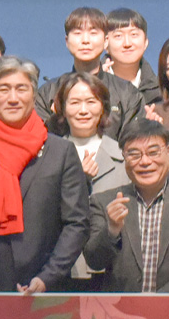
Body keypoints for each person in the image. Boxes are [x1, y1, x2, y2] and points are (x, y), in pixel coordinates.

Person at [0, 56, 89, 304]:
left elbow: (77, 224)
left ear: (34, 96)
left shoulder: (61, 152)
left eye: (21, 89)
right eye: (3, 89)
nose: (13, 98)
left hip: (47, 293)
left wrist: (48, 277)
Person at [82, 118, 169, 293]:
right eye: (134, 154)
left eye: (153, 152)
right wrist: (111, 231)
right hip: (122, 308)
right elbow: (94, 261)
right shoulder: (104, 202)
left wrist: (159, 301)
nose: (145, 161)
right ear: (124, 158)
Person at [51, 72, 127, 286]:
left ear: (103, 107)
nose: (83, 110)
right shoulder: (48, 155)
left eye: (91, 102)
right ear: (62, 108)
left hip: (112, 272)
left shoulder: (124, 157)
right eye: (74, 102)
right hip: (61, 271)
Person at [39, 8, 147, 143]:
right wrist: (56, 120)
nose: (85, 40)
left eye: (93, 33)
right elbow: (40, 142)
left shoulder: (128, 93)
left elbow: (133, 143)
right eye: (77, 33)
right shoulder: (48, 92)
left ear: (106, 41)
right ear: (67, 41)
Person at [106, 8, 161, 107]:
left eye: (134, 34)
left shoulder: (161, 92)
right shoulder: (88, 86)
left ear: (146, 42)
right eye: (118, 36)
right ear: (105, 44)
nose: (127, 43)